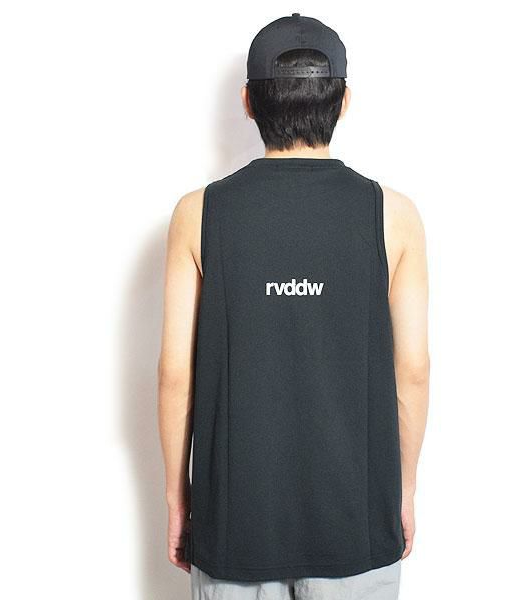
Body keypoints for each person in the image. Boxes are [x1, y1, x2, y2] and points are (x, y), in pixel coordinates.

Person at [158, 13, 429, 600]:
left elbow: (175, 375)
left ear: (248, 103)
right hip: (357, 524)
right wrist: (403, 490)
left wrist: (179, 501)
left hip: (234, 528)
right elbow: (412, 371)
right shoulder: (394, 214)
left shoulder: (198, 213)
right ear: (344, 101)